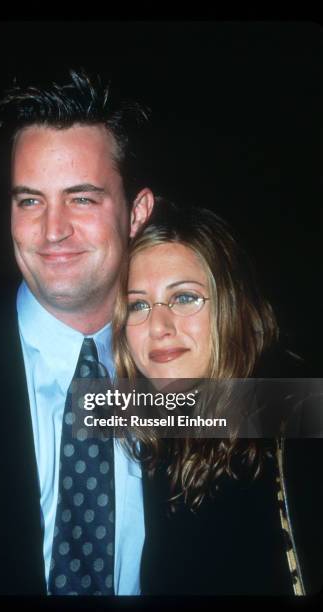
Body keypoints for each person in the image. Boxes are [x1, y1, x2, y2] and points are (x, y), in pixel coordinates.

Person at [0, 70, 154, 596]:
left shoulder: (184, 373)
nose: (52, 230)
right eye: (30, 200)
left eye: (82, 198)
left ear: (136, 214)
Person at [112, 201, 323, 595]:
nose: (158, 326)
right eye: (138, 304)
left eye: (185, 298)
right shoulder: (143, 444)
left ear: (231, 304)